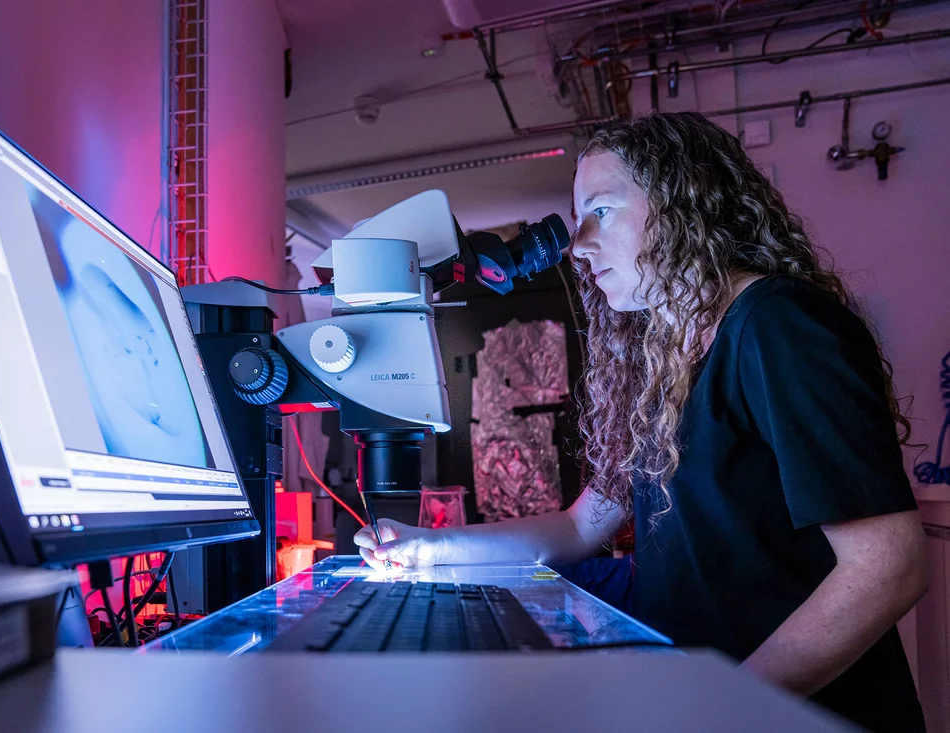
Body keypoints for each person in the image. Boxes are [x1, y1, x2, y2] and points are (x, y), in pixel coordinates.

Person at [354, 112, 928, 732]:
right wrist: (427, 546)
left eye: (600, 210)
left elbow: (888, 568)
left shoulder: (776, 325)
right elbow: (581, 528)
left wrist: (724, 706)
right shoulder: (665, 358)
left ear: (686, 202)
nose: (577, 245)